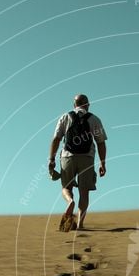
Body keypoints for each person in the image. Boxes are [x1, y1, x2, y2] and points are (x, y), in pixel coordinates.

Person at [48, 94, 107, 231]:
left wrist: (51, 159)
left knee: (66, 187)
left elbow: (56, 139)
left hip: (67, 157)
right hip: (87, 158)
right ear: (87, 105)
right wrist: (102, 163)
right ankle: (80, 224)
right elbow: (101, 143)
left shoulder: (65, 117)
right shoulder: (94, 119)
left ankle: (70, 201)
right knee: (84, 191)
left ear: (74, 105)